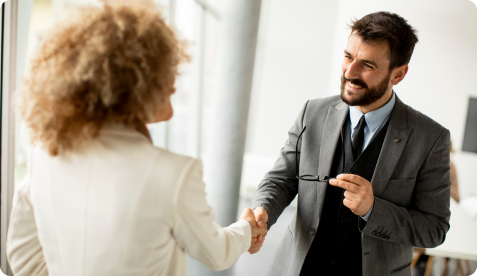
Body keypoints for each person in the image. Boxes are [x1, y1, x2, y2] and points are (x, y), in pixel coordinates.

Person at [6, 1, 267, 275]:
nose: (175, 81)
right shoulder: (174, 174)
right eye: (167, 71)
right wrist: (247, 230)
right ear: (133, 82)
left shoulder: (46, 153)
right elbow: (218, 253)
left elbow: (23, 256)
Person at [248, 11, 451, 276]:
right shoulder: (312, 112)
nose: (349, 72)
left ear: (398, 75)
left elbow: (434, 230)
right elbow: (281, 180)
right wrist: (261, 210)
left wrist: (373, 210)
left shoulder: (431, 138)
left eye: (367, 65)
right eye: (348, 57)